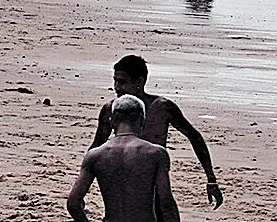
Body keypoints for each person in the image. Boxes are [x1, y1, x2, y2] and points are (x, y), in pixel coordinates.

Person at [93, 55, 222, 208]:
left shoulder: (162, 107)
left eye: (122, 82)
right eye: (115, 81)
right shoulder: (112, 110)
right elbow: (96, 147)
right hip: (123, 186)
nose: (116, 87)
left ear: (139, 82)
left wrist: (211, 179)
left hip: (156, 187)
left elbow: (194, 137)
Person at [67, 95, 179, 222]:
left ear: (112, 121)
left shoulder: (95, 155)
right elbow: (166, 201)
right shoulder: (155, 153)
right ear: (142, 120)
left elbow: (73, 202)